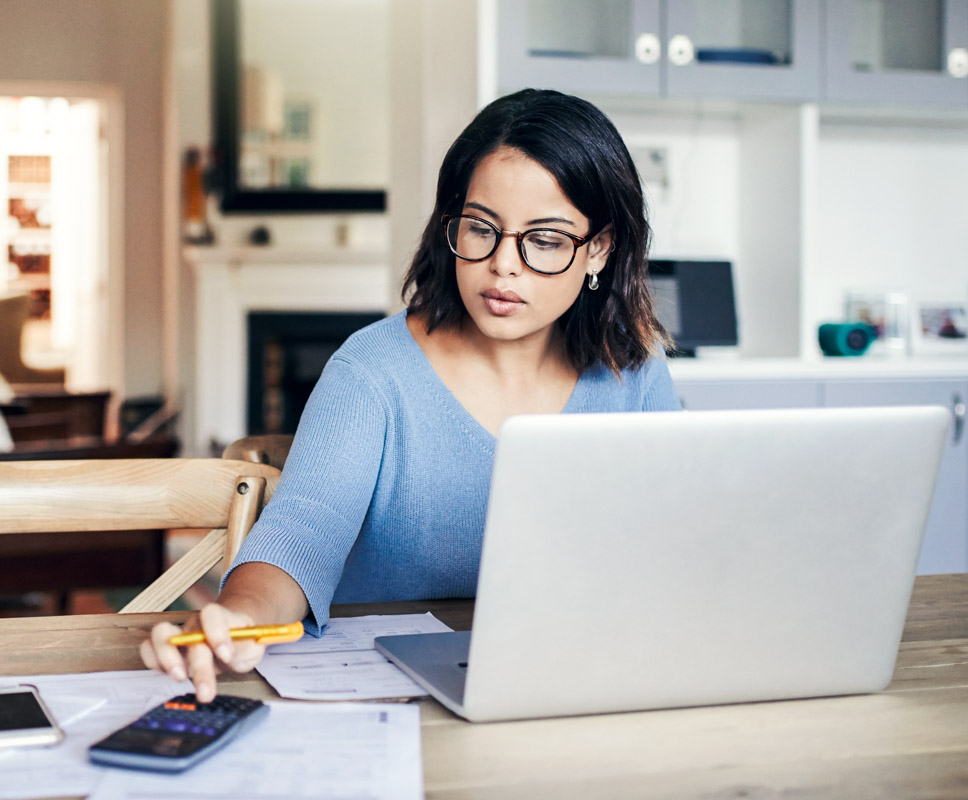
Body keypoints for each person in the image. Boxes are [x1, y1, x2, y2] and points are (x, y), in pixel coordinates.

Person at [142, 88, 681, 700]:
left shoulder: (634, 373)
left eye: (548, 239)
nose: (504, 265)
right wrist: (238, 618)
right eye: (481, 228)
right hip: (388, 700)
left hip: (573, 687)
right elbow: (300, 535)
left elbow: (669, 552)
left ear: (600, 249)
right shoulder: (371, 372)